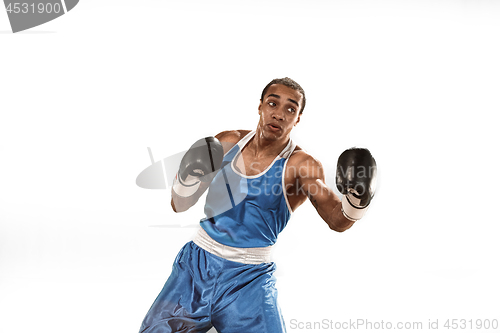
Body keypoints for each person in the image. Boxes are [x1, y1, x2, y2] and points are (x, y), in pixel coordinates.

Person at [139, 77, 377, 333]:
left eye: (290, 109)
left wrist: (356, 200)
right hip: (195, 268)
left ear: (298, 119)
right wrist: (184, 181)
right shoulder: (227, 142)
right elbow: (179, 204)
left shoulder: (301, 165)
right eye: (273, 103)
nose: (279, 114)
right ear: (261, 106)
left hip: (248, 281)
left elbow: (337, 220)